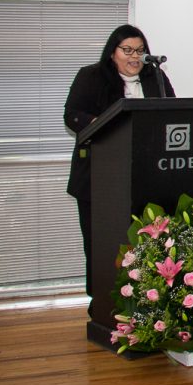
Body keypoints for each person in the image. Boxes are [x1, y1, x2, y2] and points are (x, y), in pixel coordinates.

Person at [64, 24, 176, 317]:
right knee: (101, 245)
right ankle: (102, 303)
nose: (134, 56)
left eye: (139, 50)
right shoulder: (92, 76)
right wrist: (102, 124)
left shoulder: (155, 78)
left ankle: (148, 303)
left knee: (148, 244)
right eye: (127, 50)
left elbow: (172, 115)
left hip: (147, 179)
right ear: (112, 52)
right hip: (99, 179)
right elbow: (72, 115)